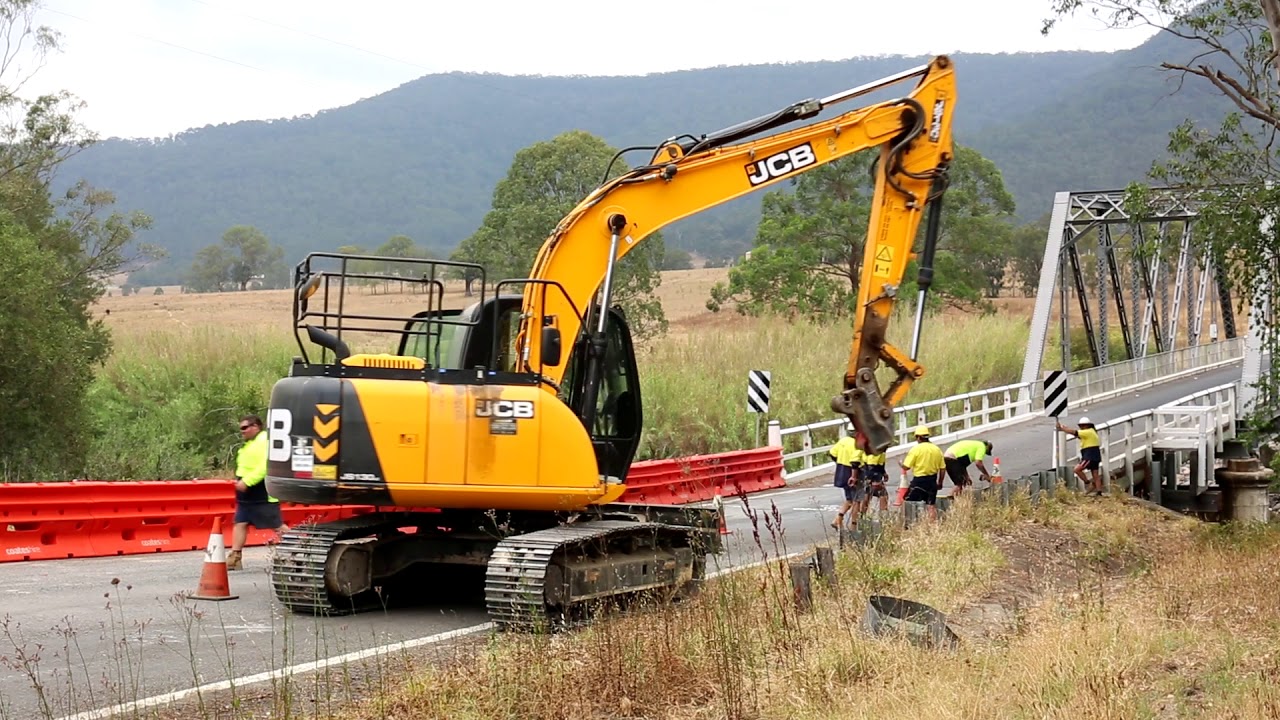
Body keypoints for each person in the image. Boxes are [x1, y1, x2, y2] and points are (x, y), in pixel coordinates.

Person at [227, 414, 288, 570]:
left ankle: (301, 547)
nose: (242, 432)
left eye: (245, 428)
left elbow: (264, 466)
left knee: (276, 525)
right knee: (240, 522)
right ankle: (235, 557)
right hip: (246, 494)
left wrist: (247, 482)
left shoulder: (264, 442)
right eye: (241, 429)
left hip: (261, 492)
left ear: (255, 427)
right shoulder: (250, 443)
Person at [901, 426, 946, 520]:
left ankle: (907, 525)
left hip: (919, 481)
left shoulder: (916, 449)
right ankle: (933, 526)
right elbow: (942, 468)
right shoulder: (936, 449)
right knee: (931, 504)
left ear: (918, 437)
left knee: (908, 501)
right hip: (932, 480)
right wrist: (940, 482)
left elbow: (906, 466)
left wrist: (900, 464)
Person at [1057, 415, 1103, 496]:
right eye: (1080, 426)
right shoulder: (1092, 432)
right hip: (1095, 454)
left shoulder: (1087, 432)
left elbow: (1074, 432)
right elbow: (1078, 435)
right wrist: (1066, 428)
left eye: (1082, 425)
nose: (1081, 427)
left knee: (1077, 469)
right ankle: (1099, 491)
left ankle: (1088, 483)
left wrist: (1062, 428)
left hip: (1089, 455)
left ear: (1087, 425)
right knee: (1095, 473)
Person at [828, 429, 864, 530]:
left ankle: (837, 519)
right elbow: (855, 462)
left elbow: (832, 453)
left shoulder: (843, 441)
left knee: (849, 499)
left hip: (842, 471)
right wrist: (854, 476)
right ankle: (854, 526)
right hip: (854, 472)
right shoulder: (858, 444)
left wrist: (839, 461)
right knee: (857, 500)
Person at [859, 445, 889, 517]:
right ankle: (883, 518)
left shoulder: (880, 450)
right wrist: (873, 480)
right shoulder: (875, 450)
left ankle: (862, 517)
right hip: (871, 476)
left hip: (870, 475)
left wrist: (884, 473)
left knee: (867, 496)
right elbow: (871, 466)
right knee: (883, 495)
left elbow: (880, 465)